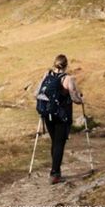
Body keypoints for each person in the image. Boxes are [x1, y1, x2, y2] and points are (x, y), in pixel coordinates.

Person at [35, 54, 83, 184]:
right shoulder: (68, 79)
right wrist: (81, 100)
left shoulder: (47, 75)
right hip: (62, 116)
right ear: (66, 65)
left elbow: (36, 93)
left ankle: (56, 171)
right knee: (59, 144)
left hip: (47, 114)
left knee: (54, 142)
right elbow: (74, 98)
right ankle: (54, 174)